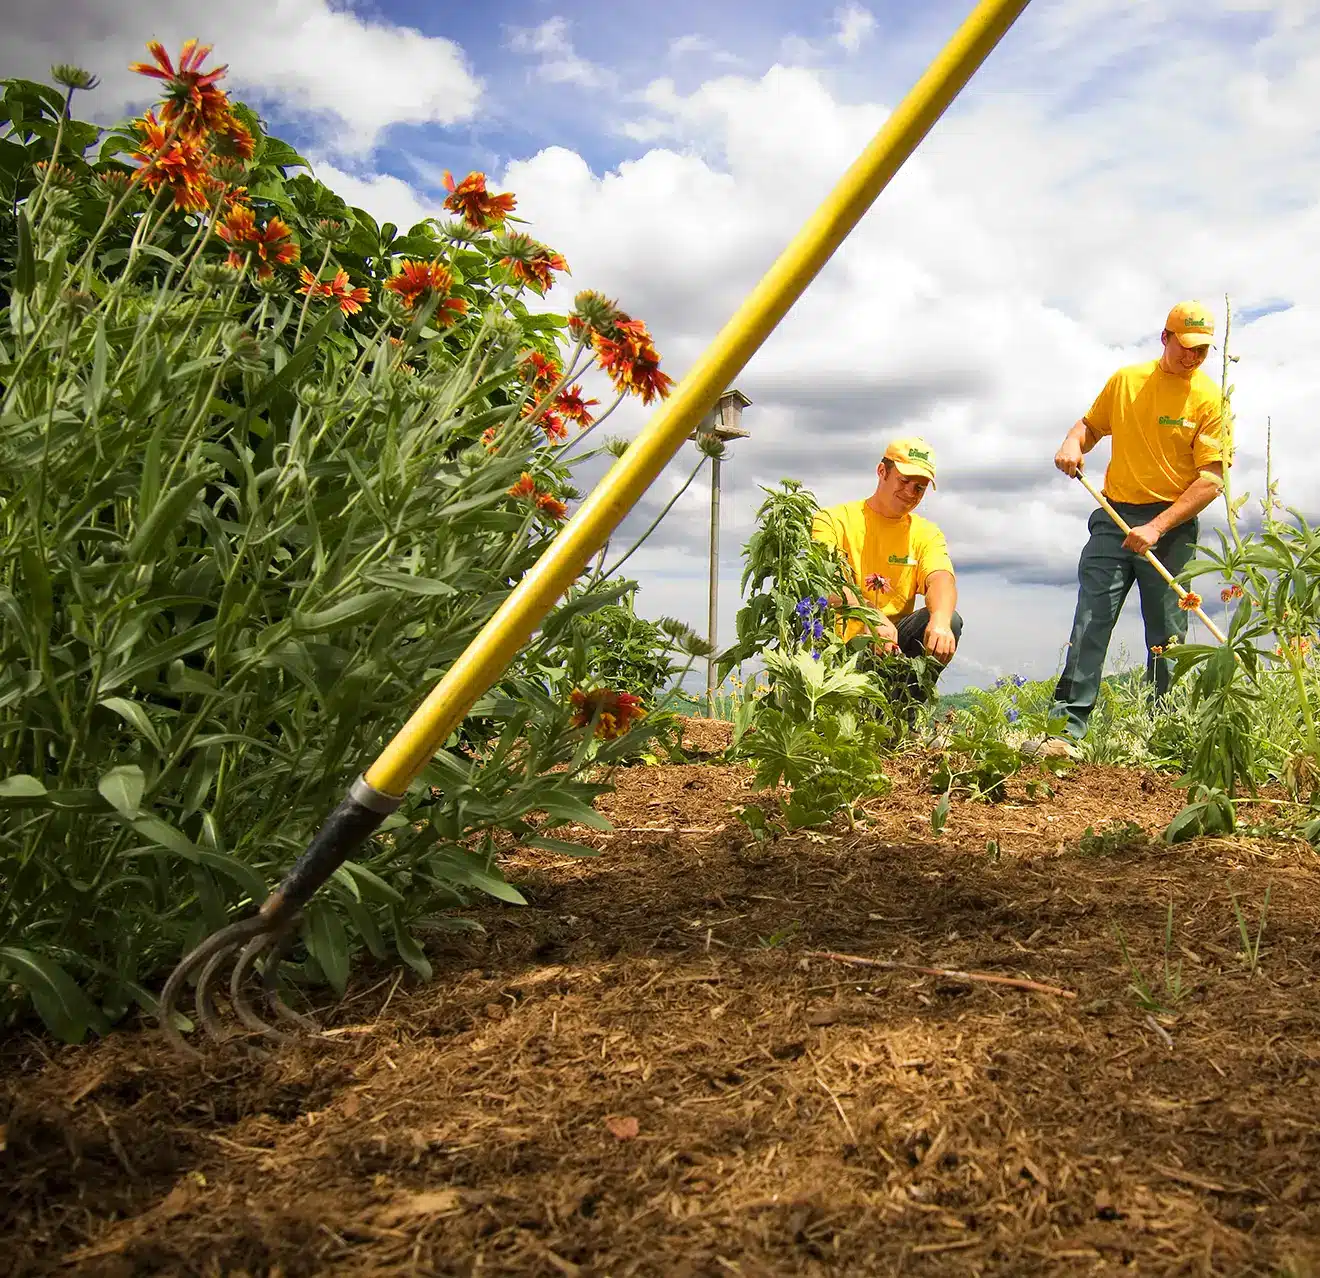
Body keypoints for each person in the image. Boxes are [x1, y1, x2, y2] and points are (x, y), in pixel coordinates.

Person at [1030, 300, 1227, 759]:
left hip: (1171, 525)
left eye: (1202, 351)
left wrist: (1158, 526)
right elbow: (1090, 426)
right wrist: (1071, 444)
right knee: (1092, 618)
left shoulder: (1210, 399)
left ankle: (1166, 733)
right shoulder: (1127, 382)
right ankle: (1066, 729)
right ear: (1165, 338)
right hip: (1113, 516)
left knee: (1167, 633)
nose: (1192, 358)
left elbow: (1212, 479)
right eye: (1186, 347)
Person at [810, 436, 962, 706]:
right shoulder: (832, 520)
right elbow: (826, 582)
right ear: (882, 472)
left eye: (920, 488)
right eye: (903, 481)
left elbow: (941, 578)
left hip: (893, 648)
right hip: (838, 648)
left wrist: (940, 620)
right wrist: (871, 616)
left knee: (950, 620)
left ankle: (904, 716)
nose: (910, 493)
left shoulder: (925, 533)